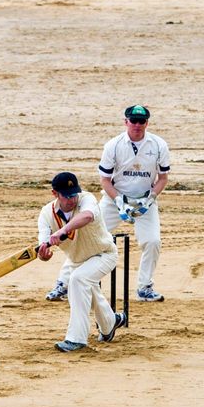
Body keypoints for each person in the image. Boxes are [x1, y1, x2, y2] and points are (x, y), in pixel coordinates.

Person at [46, 105, 171, 304]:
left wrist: (149, 199)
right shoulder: (113, 145)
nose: (137, 125)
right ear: (126, 121)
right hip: (113, 201)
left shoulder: (159, 145)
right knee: (83, 239)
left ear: (147, 123)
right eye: (133, 121)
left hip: (144, 201)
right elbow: (105, 180)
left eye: (141, 121)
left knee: (153, 241)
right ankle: (63, 284)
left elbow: (163, 178)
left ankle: (145, 287)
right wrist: (120, 201)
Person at [37, 172, 124, 352]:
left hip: (104, 253)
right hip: (78, 260)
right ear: (55, 194)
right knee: (87, 287)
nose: (71, 200)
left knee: (78, 280)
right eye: (66, 196)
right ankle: (110, 323)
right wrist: (44, 254)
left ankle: (76, 339)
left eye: (73, 194)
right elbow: (43, 247)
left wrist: (62, 231)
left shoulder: (87, 199)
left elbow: (87, 217)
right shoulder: (46, 214)